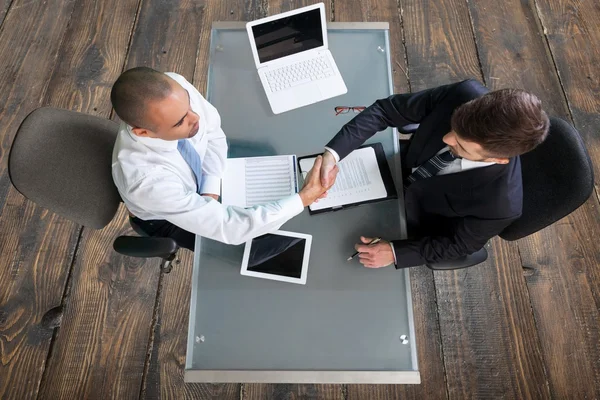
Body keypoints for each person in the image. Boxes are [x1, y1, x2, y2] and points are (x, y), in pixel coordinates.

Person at [319, 79, 549, 269]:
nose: (446, 139)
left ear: (497, 159)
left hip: (411, 220)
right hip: (393, 168)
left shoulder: (501, 207)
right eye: (453, 128)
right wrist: (333, 155)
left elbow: (457, 245)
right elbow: (385, 110)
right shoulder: (464, 93)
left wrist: (394, 252)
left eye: (460, 145)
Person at [111, 67, 336, 250]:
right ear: (144, 133)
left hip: (204, 184)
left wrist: (210, 190)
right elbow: (231, 228)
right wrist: (303, 199)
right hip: (167, 218)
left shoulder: (173, 88)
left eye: (189, 105)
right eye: (180, 122)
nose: (195, 117)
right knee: (253, 249)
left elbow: (213, 131)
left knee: (270, 150)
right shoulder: (147, 182)